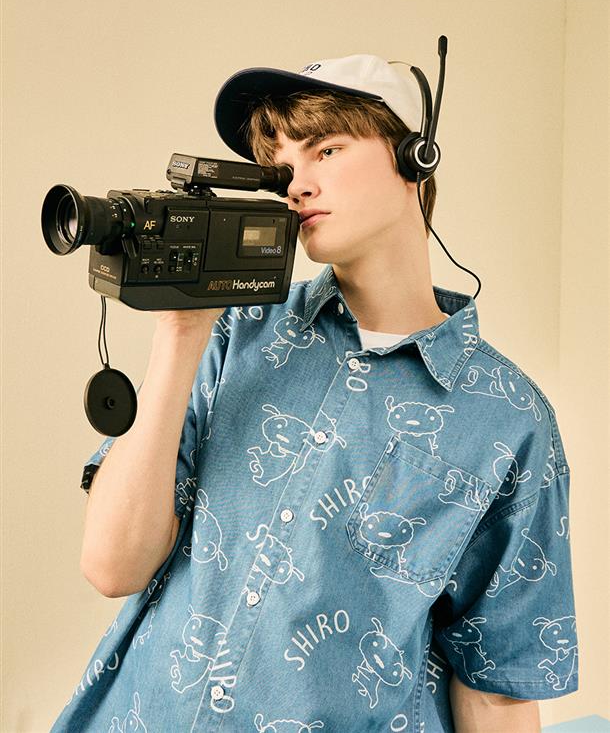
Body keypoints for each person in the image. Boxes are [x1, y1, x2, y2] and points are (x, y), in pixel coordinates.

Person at [51, 53, 578, 732]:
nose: (297, 185)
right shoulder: (236, 330)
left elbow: (495, 687)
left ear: (415, 160)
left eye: (327, 149)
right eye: (281, 163)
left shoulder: (507, 419)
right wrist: (180, 334)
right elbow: (111, 564)